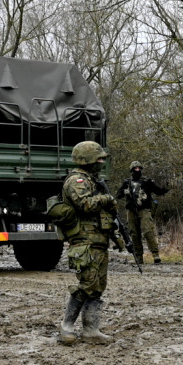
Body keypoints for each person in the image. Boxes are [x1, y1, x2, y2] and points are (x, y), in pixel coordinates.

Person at [58, 140, 124, 346]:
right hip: (84, 241)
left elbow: (104, 215)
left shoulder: (93, 180)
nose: (102, 162)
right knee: (87, 284)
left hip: (98, 240)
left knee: (97, 286)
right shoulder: (76, 181)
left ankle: (91, 330)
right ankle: (66, 327)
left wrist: (116, 235)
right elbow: (84, 205)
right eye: (99, 158)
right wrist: (107, 199)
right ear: (87, 160)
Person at [118, 161, 167, 264]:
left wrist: (166, 188)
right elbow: (118, 195)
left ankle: (155, 254)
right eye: (135, 168)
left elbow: (158, 191)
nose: (137, 170)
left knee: (148, 231)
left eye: (139, 168)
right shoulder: (127, 182)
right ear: (131, 170)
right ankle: (139, 256)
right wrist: (124, 191)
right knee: (134, 234)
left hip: (144, 210)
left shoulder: (147, 182)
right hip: (131, 211)